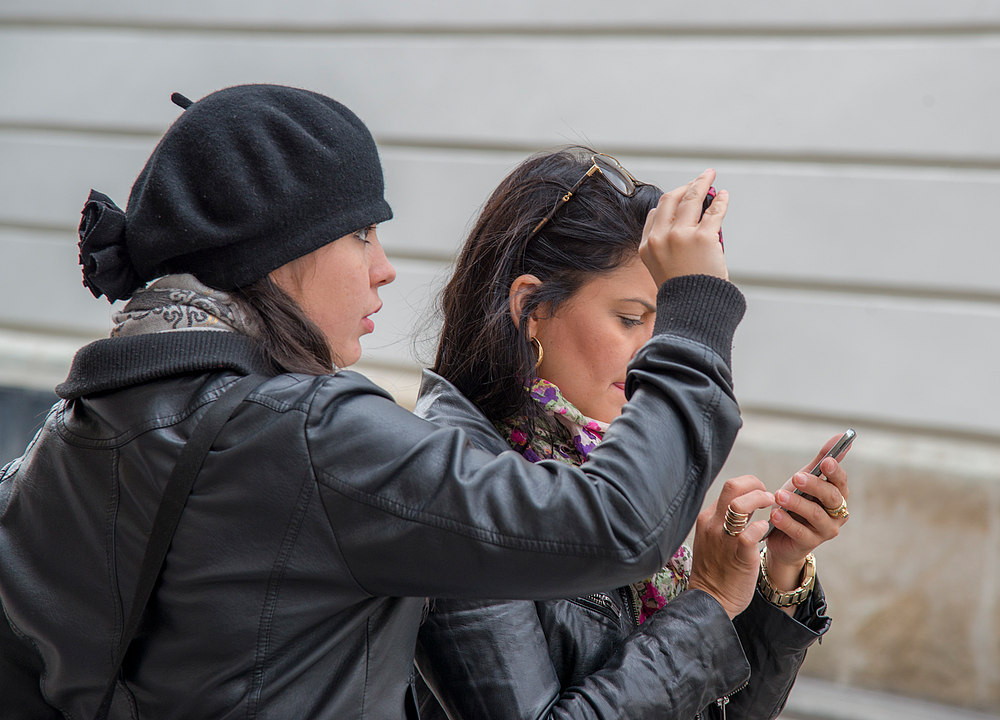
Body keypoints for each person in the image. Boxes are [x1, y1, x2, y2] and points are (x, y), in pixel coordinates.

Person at [0, 87, 748, 719]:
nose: (385, 270)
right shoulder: (310, 432)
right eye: (360, 233)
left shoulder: (64, 437)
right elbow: (617, 524)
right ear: (281, 251)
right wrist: (697, 310)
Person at [413, 148, 850, 719]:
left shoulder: (601, 457)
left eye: (662, 323)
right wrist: (708, 602)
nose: (651, 352)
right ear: (530, 310)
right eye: (628, 319)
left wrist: (777, 575)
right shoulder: (460, 481)